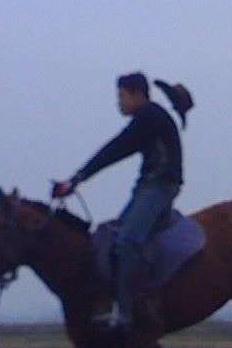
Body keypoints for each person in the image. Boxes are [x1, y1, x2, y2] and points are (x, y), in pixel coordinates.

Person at [52, 72, 193, 332]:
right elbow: (118, 149)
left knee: (128, 241)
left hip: (160, 186)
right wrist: (77, 180)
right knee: (115, 239)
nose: (119, 102)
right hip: (148, 187)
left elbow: (115, 149)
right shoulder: (147, 117)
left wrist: (76, 180)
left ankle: (127, 313)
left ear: (138, 94)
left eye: (122, 96)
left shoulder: (149, 116)